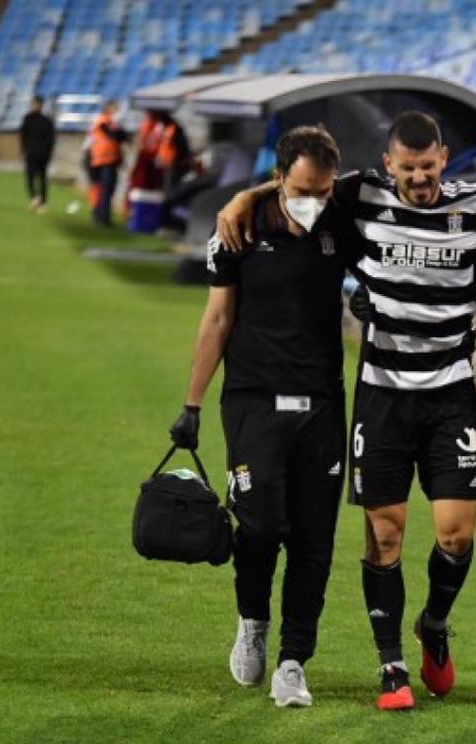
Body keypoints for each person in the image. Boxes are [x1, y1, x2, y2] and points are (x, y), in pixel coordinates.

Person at [217, 111, 476, 711]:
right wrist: (243, 198)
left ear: (444, 159)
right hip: (383, 394)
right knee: (385, 533)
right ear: (389, 164)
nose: (418, 177)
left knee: (456, 536)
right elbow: (300, 185)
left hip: (450, 393)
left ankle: (434, 622)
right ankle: (391, 666)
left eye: (428, 166)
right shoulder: (361, 194)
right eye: (407, 167)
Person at [169, 126, 359, 708]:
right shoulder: (239, 230)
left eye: (323, 191)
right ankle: (252, 621)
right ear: (278, 179)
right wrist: (192, 403)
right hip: (253, 400)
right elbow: (217, 320)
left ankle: (294, 661)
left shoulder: (342, 220)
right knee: (259, 528)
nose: (314, 202)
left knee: (313, 539)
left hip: (321, 405)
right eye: (303, 190)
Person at [88, 100, 127, 226]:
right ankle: (102, 217)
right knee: (104, 189)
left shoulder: (110, 122)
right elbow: (116, 135)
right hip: (103, 160)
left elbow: (121, 136)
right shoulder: (103, 120)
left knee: (106, 190)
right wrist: (121, 132)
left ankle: (101, 215)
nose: (117, 111)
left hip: (106, 160)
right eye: (115, 108)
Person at [18, 96, 55, 213]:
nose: (34, 106)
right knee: (30, 177)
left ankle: (42, 202)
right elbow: (23, 137)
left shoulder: (46, 120)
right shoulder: (27, 119)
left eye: (36, 103)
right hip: (31, 153)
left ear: (41, 105)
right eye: (33, 103)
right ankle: (34, 198)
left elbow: (51, 139)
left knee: (42, 178)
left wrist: (49, 153)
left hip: (42, 154)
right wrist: (23, 151)